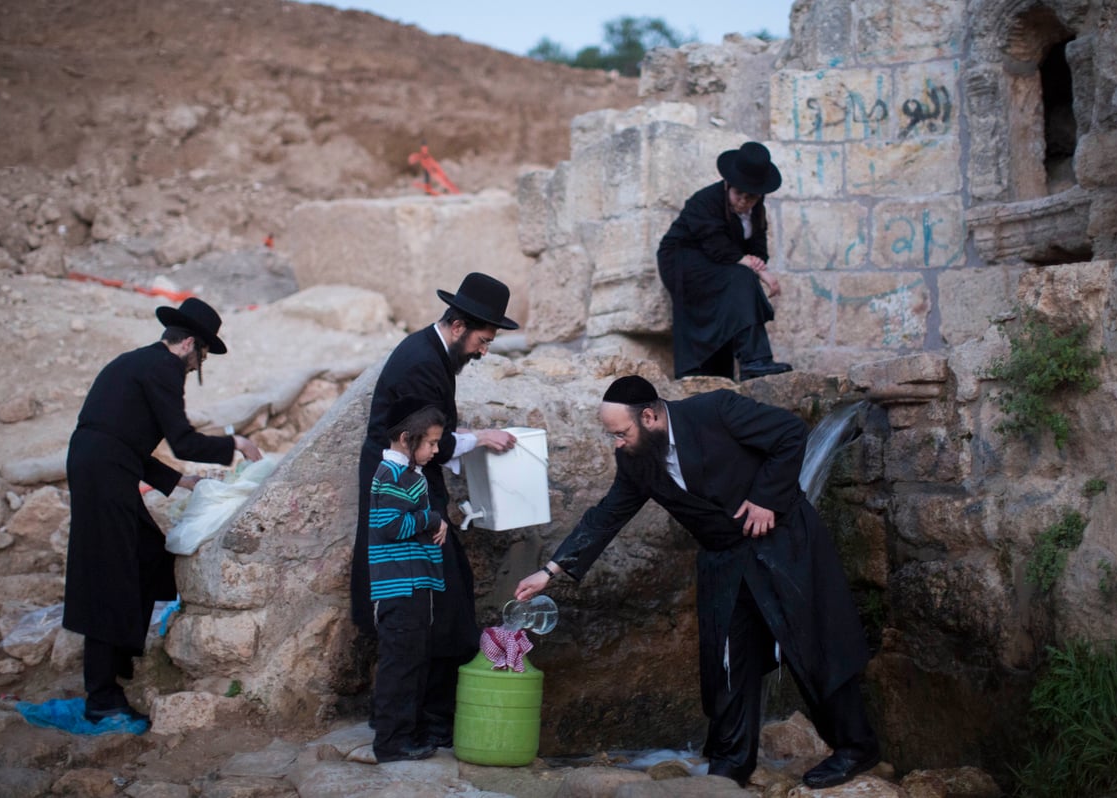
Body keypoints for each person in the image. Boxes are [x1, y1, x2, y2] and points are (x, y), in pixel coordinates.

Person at [514, 376, 879, 790]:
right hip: (723, 561)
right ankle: (731, 764)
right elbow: (607, 515)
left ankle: (855, 748)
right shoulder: (636, 459)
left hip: (781, 542)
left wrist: (766, 499)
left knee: (813, 645)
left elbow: (791, 433)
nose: (616, 443)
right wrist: (550, 571)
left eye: (620, 433)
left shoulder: (717, 410)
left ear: (649, 416)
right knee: (727, 661)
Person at [63, 297, 263, 725]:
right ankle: (102, 696)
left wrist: (181, 482)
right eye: (202, 354)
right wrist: (236, 444)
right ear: (188, 343)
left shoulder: (145, 364)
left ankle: (121, 661)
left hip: (106, 464)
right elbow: (184, 442)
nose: (198, 364)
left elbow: (127, 438)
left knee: (148, 553)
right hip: (103, 471)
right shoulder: (164, 370)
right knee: (109, 573)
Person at [352, 271, 519, 747]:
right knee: (437, 612)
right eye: (483, 340)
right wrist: (476, 440)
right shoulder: (422, 363)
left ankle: (414, 723)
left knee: (444, 606)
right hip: (406, 500)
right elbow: (425, 438)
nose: (484, 351)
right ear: (459, 325)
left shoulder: (431, 354)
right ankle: (416, 727)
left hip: (416, 497)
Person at [657, 141, 793, 382]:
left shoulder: (757, 211)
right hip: (682, 260)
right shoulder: (705, 200)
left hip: (720, 260)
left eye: (750, 197)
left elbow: (758, 248)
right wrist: (759, 272)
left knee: (740, 281)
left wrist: (757, 265)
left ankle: (743, 364)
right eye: (738, 193)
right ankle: (755, 360)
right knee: (741, 277)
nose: (743, 201)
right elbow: (715, 243)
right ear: (728, 185)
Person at [368, 398, 450, 762]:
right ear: (406, 438)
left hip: (414, 584)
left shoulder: (408, 475)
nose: (435, 450)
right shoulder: (390, 475)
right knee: (399, 665)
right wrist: (431, 520)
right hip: (399, 587)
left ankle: (406, 732)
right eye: (431, 442)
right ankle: (391, 743)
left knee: (412, 662)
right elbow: (389, 526)